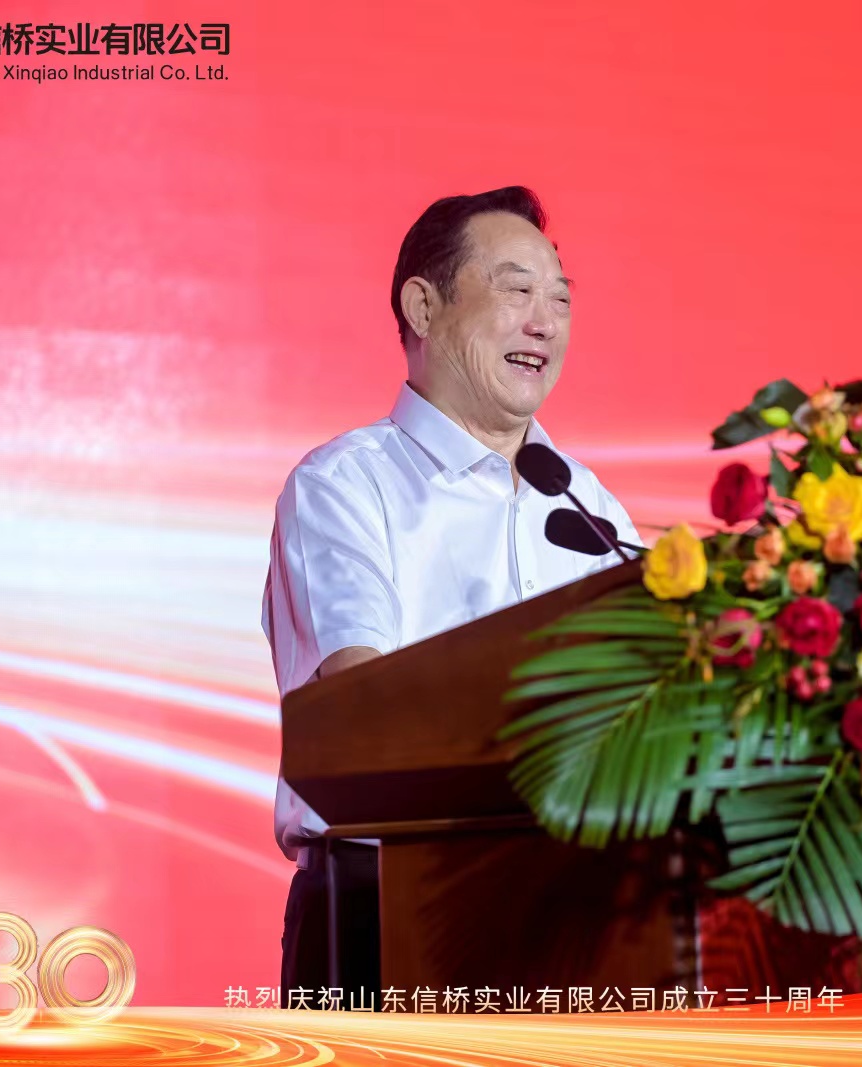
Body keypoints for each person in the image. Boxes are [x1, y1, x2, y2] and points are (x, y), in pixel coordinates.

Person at [261, 186, 639, 1001]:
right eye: (517, 290)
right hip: (386, 912)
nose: (545, 323)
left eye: (561, 300)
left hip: (575, 919)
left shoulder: (590, 506)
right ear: (423, 306)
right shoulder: (347, 485)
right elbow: (364, 704)